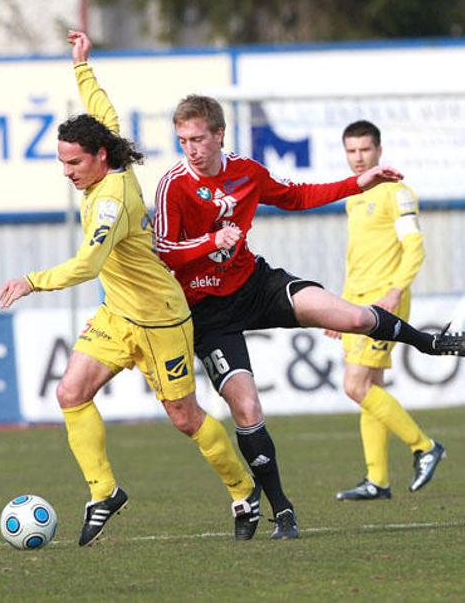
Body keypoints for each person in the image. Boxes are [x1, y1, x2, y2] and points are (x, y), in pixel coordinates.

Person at [153, 95, 465, 539]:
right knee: (247, 408)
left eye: (198, 139)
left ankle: (430, 343)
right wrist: (210, 241)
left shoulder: (247, 172)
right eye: (183, 140)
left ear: (219, 134)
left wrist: (358, 183)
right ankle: (282, 512)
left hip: (256, 286)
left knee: (352, 318)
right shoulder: (173, 185)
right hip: (208, 311)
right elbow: (164, 250)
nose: (191, 148)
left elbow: (297, 196)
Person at [0, 32, 259, 547]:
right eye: (62, 163)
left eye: (74, 163)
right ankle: (104, 492)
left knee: (185, 418)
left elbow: (89, 263)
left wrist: (32, 281)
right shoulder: (108, 154)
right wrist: (82, 65)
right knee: (71, 393)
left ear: (99, 157)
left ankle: (243, 491)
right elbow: (104, 109)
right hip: (119, 314)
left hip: (160, 319)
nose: (68, 173)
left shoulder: (112, 201)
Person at [325, 120, 445, 501]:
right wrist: (340, 309)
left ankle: (425, 447)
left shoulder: (398, 193)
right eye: (351, 151)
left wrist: (394, 291)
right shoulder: (354, 197)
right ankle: (377, 480)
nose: (358, 157)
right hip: (358, 303)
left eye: (365, 150)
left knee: (355, 386)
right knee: (369, 388)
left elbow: (415, 248)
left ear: (379, 150)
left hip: (383, 302)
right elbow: (356, 259)